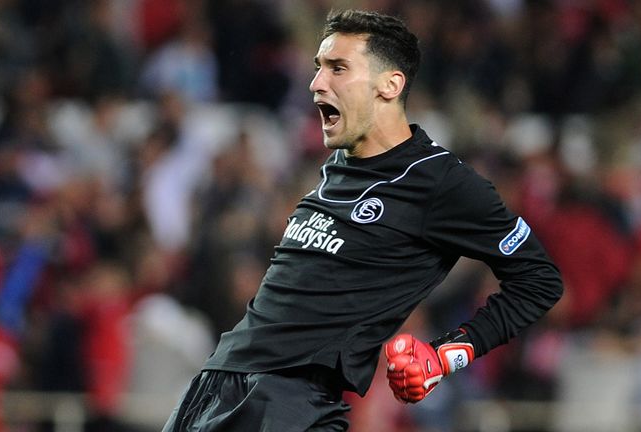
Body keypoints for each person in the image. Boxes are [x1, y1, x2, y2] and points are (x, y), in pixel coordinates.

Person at [163, 9, 563, 431]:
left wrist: (446, 354)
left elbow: (539, 280)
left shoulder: (441, 182)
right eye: (319, 68)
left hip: (288, 401)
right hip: (214, 386)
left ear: (390, 84)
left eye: (338, 68)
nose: (317, 83)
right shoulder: (335, 165)